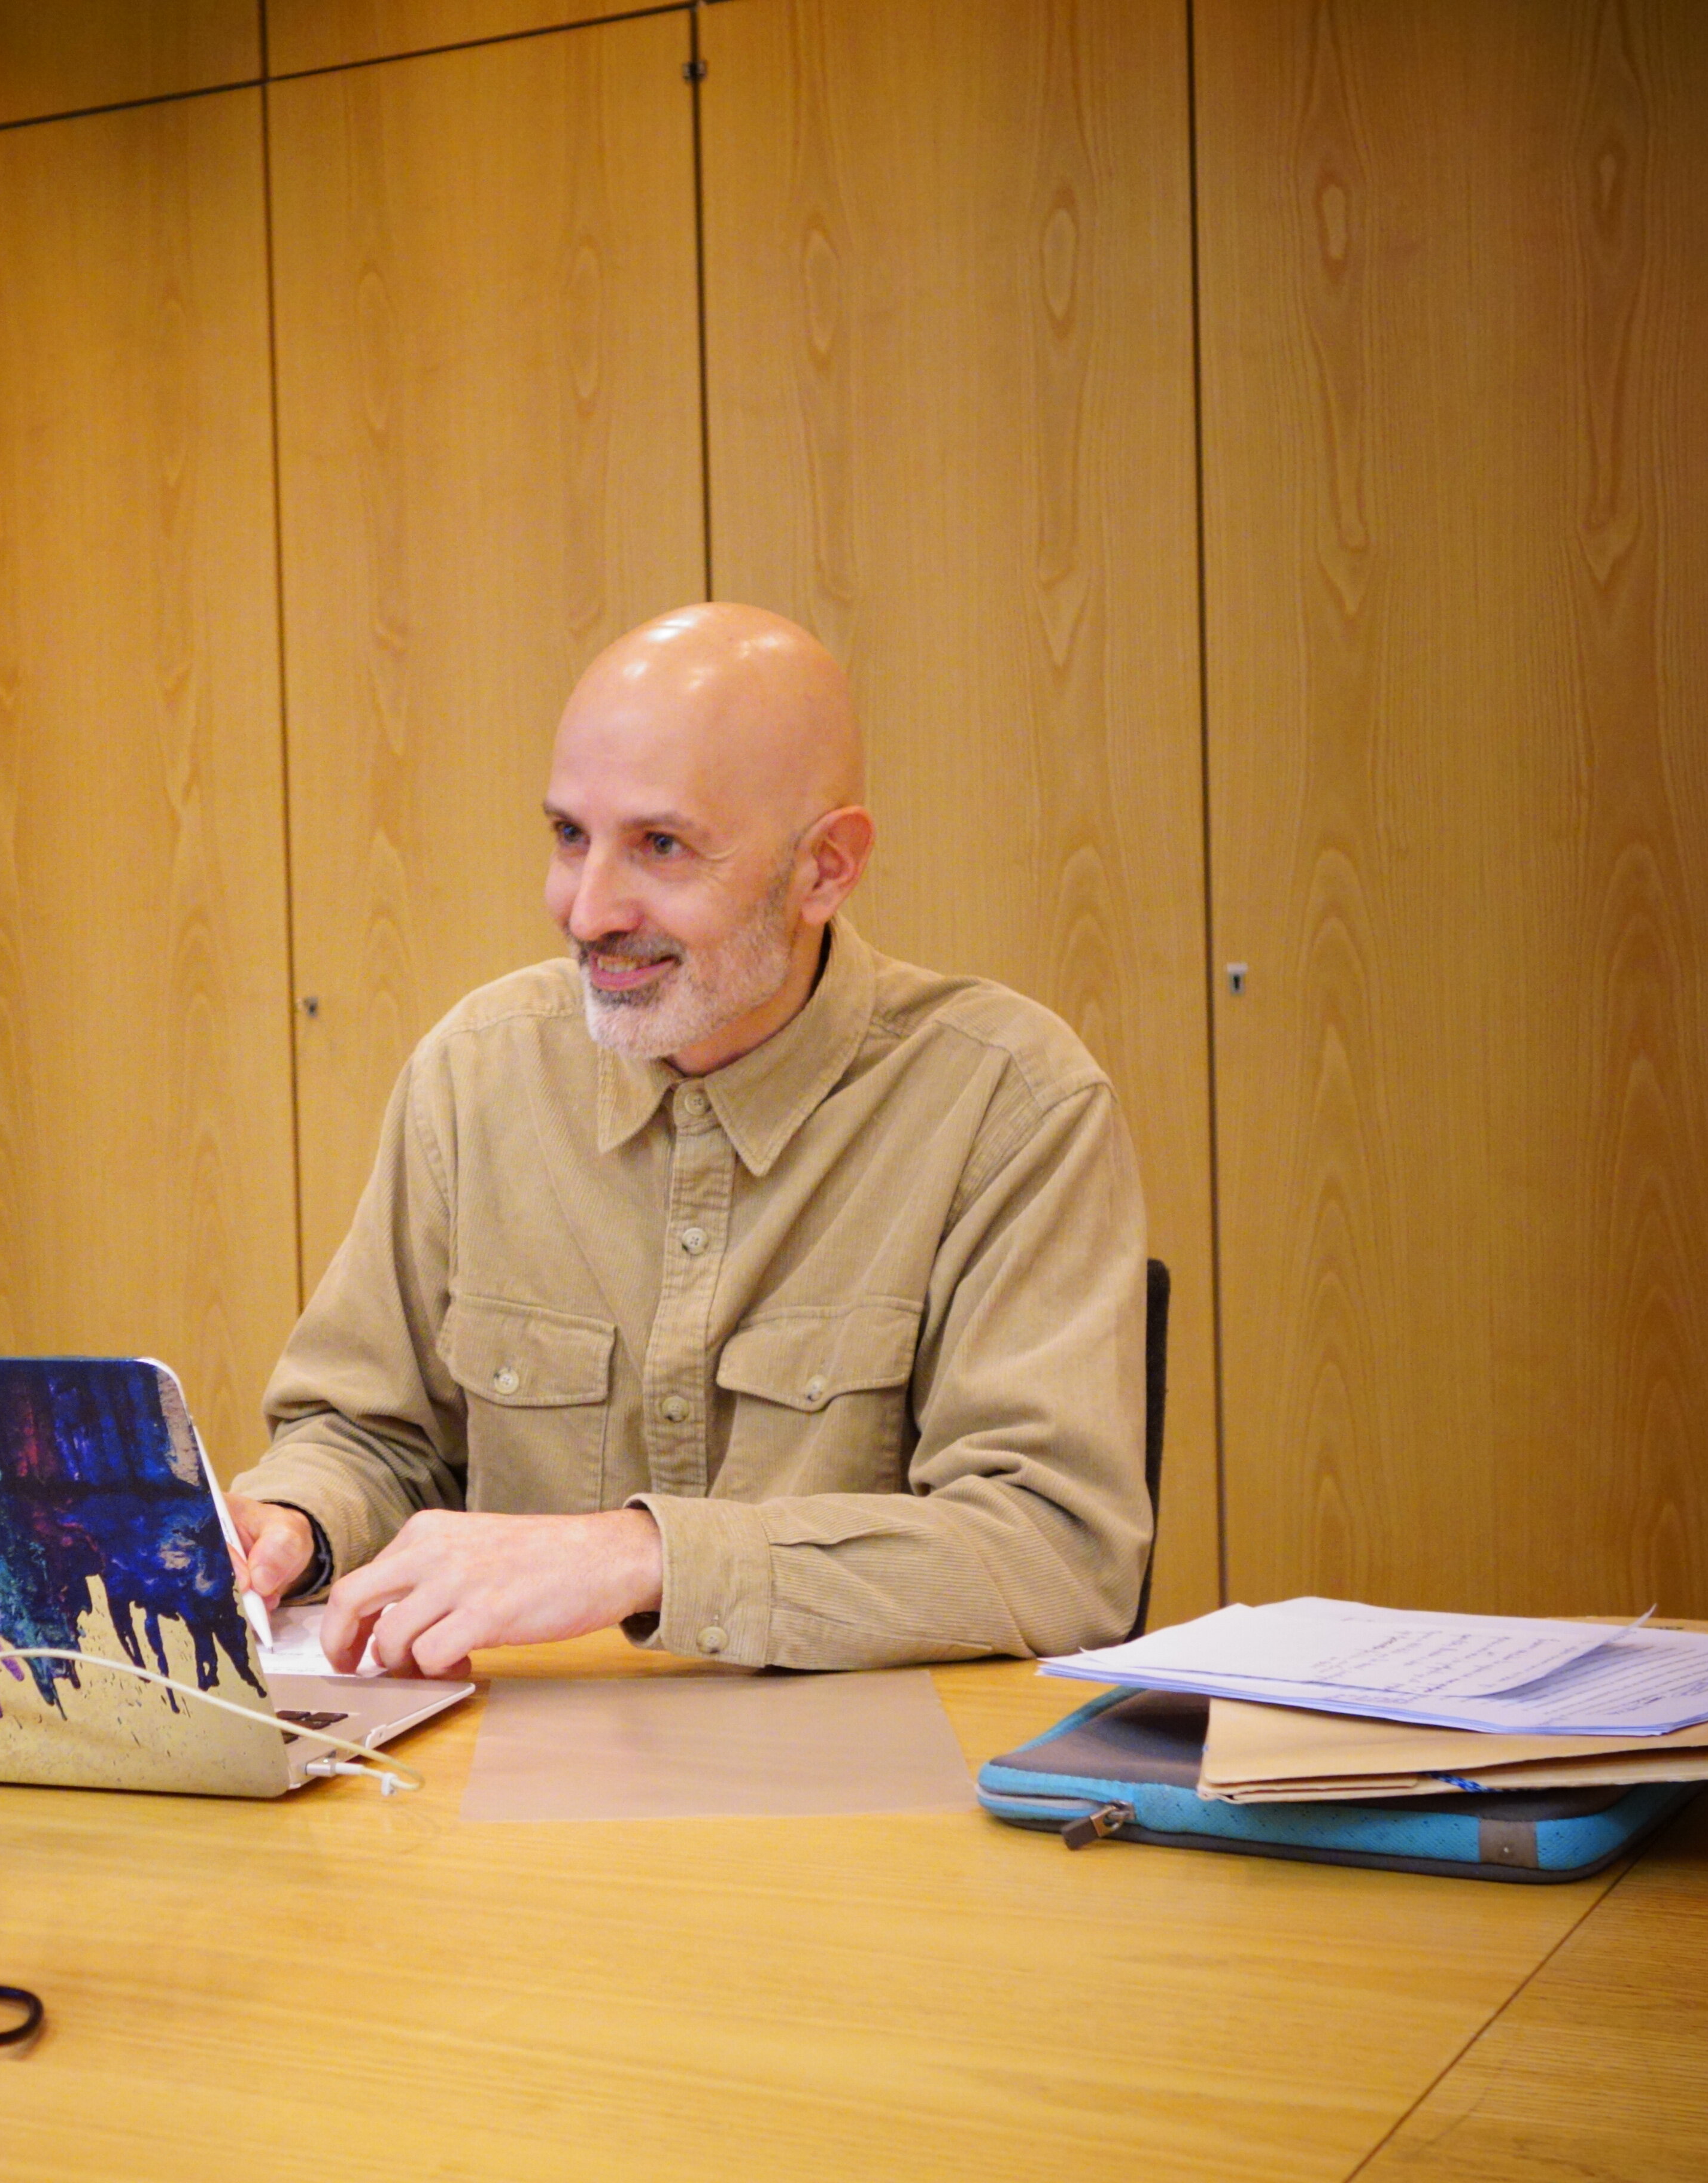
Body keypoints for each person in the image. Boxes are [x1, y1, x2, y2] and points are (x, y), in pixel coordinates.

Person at [226, 603, 1150, 1676]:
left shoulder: (1009, 1103)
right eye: (570, 836)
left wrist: (644, 1557)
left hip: (876, 1797)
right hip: (513, 1780)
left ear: (826, 869)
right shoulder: (476, 1074)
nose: (586, 909)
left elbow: (1057, 1553)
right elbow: (370, 1436)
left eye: (660, 846)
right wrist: (299, 1516)